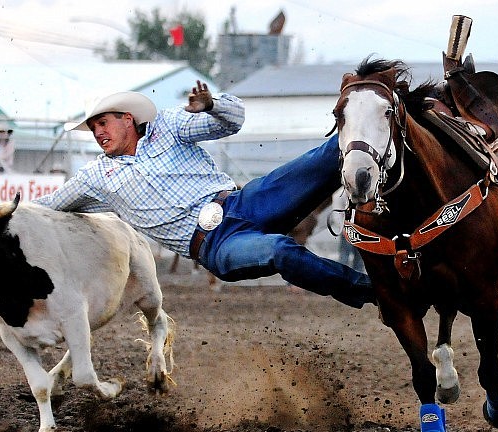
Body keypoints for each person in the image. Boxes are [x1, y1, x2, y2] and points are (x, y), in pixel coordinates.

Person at [33, 81, 374, 308]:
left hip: (243, 203)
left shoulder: (167, 125)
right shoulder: (96, 176)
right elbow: (48, 207)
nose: (98, 133)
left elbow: (232, 121)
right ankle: (372, 292)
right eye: (93, 128)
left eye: (102, 123)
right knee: (280, 251)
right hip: (213, 245)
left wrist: (213, 106)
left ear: (127, 119)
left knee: (330, 153)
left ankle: (403, 124)